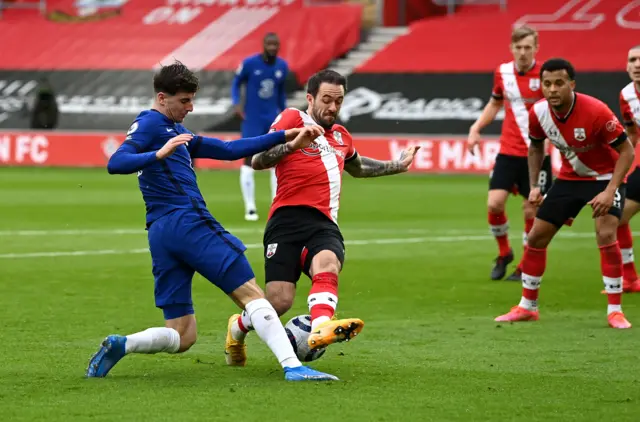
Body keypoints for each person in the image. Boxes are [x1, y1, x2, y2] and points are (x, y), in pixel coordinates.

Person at [85, 60, 338, 381]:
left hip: (160, 232)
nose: (190, 107)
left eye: (192, 100)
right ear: (162, 98)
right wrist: (158, 154)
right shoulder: (152, 126)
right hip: (187, 222)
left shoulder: (176, 130)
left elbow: (230, 149)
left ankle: (123, 344)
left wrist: (287, 137)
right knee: (251, 294)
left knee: (182, 334)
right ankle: (294, 366)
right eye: (184, 101)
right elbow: (116, 162)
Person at [223, 69, 420, 366]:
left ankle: (319, 330)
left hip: (323, 222)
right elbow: (258, 159)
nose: (332, 107)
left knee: (327, 262)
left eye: (338, 101)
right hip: (285, 220)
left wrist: (397, 165)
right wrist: (293, 144)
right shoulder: (292, 119)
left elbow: (358, 168)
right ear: (310, 98)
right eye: (326, 100)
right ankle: (237, 329)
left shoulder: (342, 136)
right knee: (278, 302)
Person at [494, 58, 635, 329]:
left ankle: (615, 311)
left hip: (605, 177)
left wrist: (610, 190)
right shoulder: (538, 113)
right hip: (570, 179)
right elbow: (535, 147)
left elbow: (626, 150)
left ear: (571, 84)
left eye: (559, 83)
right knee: (536, 236)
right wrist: (535, 185)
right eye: (547, 84)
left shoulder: (596, 111)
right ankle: (527, 307)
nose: (552, 89)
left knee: (606, 233)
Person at [467, 26, 553, 282]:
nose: (523, 52)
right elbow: (495, 103)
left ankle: (525, 265)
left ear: (536, 48)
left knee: (531, 211)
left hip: (538, 155)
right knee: (494, 203)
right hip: (508, 151)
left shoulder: (547, 74)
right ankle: (504, 252)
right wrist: (476, 128)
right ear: (511, 48)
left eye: (528, 47)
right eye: (518, 47)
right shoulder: (503, 72)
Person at [231, 32, 288, 221]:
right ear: (263, 45)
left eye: (275, 44)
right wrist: (237, 102)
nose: (272, 47)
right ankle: (250, 207)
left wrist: (285, 112)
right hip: (253, 119)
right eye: (269, 44)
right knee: (248, 161)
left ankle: (276, 204)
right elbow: (236, 82)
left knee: (276, 161)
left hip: (272, 119)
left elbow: (281, 93)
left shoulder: (282, 66)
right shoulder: (249, 64)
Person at [614, 45, 640, 292]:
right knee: (618, 218)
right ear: (626, 66)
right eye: (633, 59)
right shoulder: (626, 95)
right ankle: (630, 278)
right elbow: (632, 132)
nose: (637, 64)